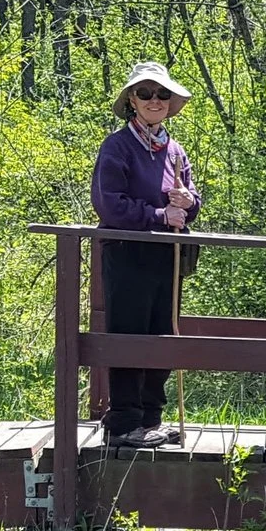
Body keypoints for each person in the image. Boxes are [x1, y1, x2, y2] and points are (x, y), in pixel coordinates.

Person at [87, 60, 201, 448]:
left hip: (165, 256)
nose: (155, 100)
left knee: (163, 336)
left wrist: (190, 201)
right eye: (146, 93)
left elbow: (188, 200)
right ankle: (123, 423)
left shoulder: (174, 150)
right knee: (128, 336)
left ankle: (152, 417)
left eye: (162, 94)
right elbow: (109, 205)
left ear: (170, 102)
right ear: (132, 100)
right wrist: (159, 214)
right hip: (127, 254)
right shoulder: (116, 147)